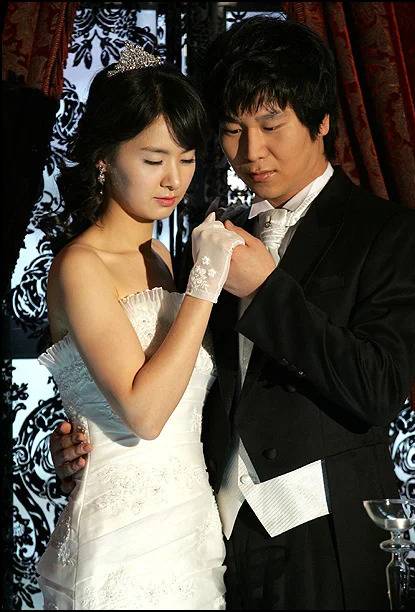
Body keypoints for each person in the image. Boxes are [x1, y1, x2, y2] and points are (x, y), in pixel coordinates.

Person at [50, 17, 415, 611]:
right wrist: (90, 441)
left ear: (322, 121)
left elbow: (378, 387)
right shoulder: (208, 243)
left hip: (327, 541)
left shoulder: (388, 234)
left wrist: (267, 288)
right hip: (213, 537)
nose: (251, 152)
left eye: (272, 126)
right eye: (233, 130)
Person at [36, 42, 244, 610]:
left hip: (190, 528)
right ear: (105, 158)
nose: (173, 179)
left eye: (187, 158)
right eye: (154, 160)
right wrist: (205, 283)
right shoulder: (81, 265)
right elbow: (144, 414)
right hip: (120, 542)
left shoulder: (160, 259)